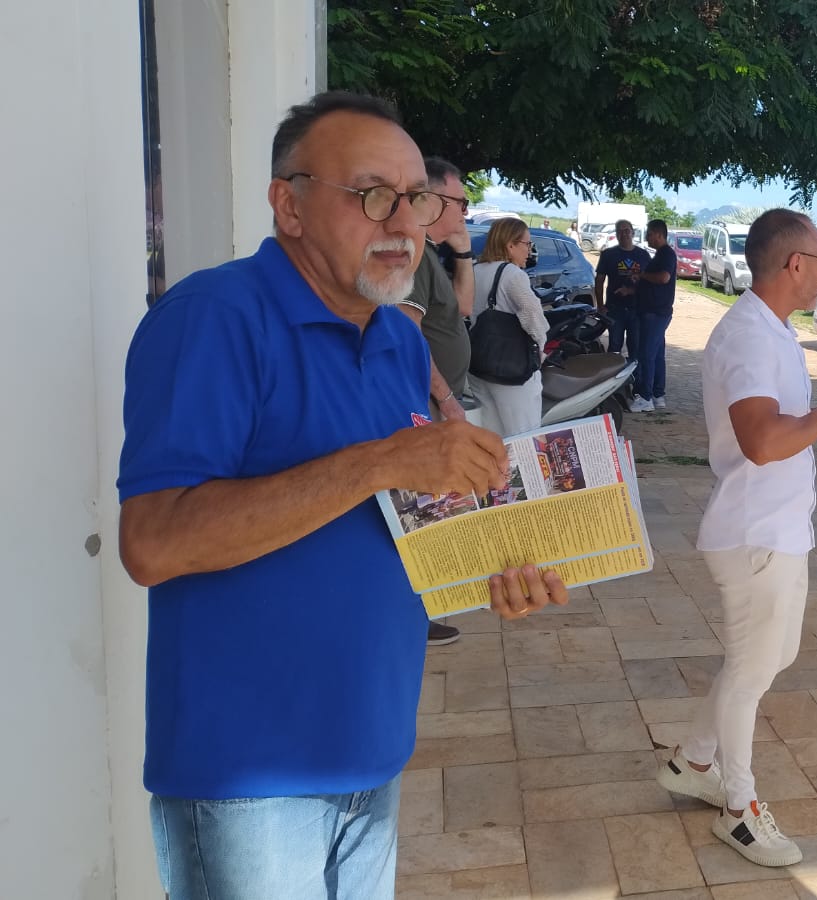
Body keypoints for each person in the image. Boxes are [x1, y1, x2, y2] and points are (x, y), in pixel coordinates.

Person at [117, 90, 571, 900]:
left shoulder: (397, 336)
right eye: (370, 195)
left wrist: (491, 567)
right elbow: (154, 543)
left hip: (373, 746)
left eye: (415, 198)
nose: (401, 222)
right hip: (249, 774)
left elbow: (391, 517)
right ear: (288, 205)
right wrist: (379, 462)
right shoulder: (212, 318)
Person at [654, 209, 817, 867]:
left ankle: (694, 760)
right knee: (753, 671)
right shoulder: (750, 336)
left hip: (777, 528)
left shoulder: (774, 329)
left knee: (770, 658)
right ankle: (739, 809)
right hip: (754, 532)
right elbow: (759, 440)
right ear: (795, 264)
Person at [396, 155, 476, 647]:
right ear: (434, 197)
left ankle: (421, 609)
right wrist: (445, 399)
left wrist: (463, 253)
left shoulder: (431, 254)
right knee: (422, 510)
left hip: (435, 400)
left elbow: (464, 307)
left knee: (433, 507)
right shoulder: (414, 256)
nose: (466, 212)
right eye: (461, 202)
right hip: (423, 404)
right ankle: (414, 615)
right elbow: (407, 336)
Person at [469, 217, 551, 436]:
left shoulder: (474, 270)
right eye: (527, 244)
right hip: (511, 371)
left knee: (491, 435)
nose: (529, 251)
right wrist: (541, 347)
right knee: (524, 436)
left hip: (479, 366)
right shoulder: (512, 275)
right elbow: (532, 315)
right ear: (510, 245)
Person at [632, 218, 677, 412]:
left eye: (650, 234)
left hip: (656, 313)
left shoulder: (666, 254)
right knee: (657, 354)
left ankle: (645, 397)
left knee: (647, 354)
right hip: (655, 311)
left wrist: (642, 275)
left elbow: (664, 278)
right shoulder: (660, 254)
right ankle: (658, 395)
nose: (647, 238)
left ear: (659, 234)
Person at [594, 219, 650, 363]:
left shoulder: (643, 255)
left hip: (637, 309)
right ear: (616, 234)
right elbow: (599, 281)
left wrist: (631, 291)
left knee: (635, 349)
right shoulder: (608, 254)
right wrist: (600, 306)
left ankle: (635, 376)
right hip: (614, 309)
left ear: (633, 233)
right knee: (614, 348)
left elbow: (649, 283)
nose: (623, 234)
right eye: (619, 231)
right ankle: (611, 376)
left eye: (626, 231)